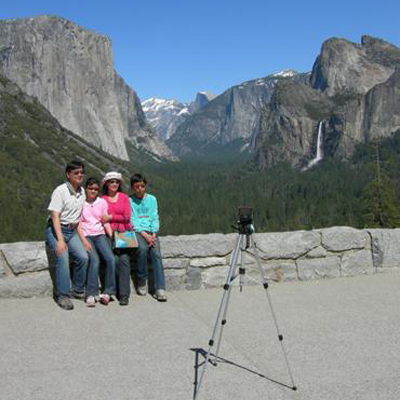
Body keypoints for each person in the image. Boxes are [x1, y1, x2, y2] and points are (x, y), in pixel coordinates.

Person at [45, 161, 89, 310]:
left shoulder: (82, 192)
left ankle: (77, 290)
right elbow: (55, 216)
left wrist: (83, 239)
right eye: (76, 172)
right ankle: (62, 295)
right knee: (62, 257)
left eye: (81, 172)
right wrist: (60, 240)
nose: (80, 175)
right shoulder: (61, 191)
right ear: (68, 174)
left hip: (73, 230)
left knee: (83, 257)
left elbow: (78, 217)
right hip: (56, 229)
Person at [78, 178, 116, 307]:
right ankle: (91, 294)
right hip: (87, 235)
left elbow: (105, 220)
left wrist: (112, 236)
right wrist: (83, 240)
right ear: (86, 189)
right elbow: (78, 223)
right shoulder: (80, 203)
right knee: (94, 260)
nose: (93, 191)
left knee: (110, 259)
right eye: (90, 188)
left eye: (95, 189)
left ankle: (108, 292)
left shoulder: (102, 203)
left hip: (100, 234)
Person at [130, 173, 167, 302]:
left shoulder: (152, 199)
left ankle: (160, 288)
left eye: (142, 186)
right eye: (136, 186)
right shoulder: (130, 201)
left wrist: (154, 234)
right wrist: (145, 235)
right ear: (132, 188)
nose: (139, 189)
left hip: (151, 232)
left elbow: (154, 216)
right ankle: (141, 280)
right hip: (138, 232)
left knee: (156, 254)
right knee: (142, 249)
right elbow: (132, 220)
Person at [101, 172, 133, 306]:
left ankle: (124, 295)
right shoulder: (102, 199)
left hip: (124, 233)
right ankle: (112, 291)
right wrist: (110, 218)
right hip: (108, 234)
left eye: (117, 182)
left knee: (124, 260)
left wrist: (111, 217)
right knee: (113, 260)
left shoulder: (124, 198)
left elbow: (127, 217)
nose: (114, 184)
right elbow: (102, 218)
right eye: (111, 181)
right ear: (106, 184)